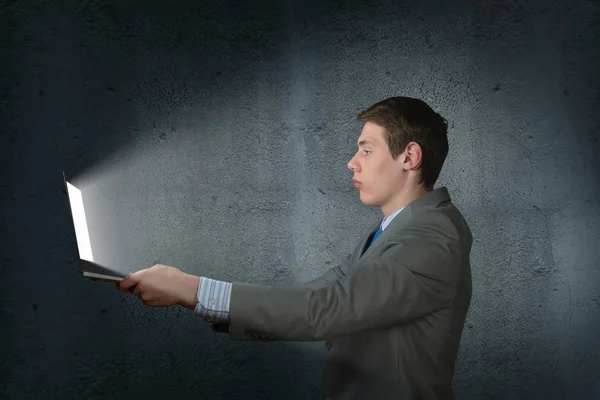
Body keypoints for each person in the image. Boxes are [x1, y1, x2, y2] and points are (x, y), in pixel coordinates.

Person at [117, 96, 473, 399]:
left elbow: (326, 310)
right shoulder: (391, 231)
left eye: (366, 149)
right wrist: (192, 291)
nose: (352, 161)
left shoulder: (432, 235)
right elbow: (309, 300)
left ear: (409, 157)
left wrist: (192, 290)